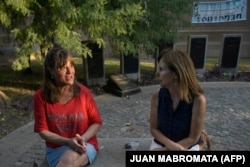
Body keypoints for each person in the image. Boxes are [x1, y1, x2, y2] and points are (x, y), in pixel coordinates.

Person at [33, 46, 102, 166]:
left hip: (85, 145)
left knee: (69, 158)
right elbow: (42, 131)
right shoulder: (40, 97)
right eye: (63, 68)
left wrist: (83, 139)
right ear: (51, 71)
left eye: (71, 66)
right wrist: (68, 142)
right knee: (67, 158)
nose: (70, 71)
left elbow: (96, 122)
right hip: (56, 149)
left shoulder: (83, 93)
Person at [149, 48, 206, 151]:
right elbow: (154, 129)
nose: (157, 74)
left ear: (175, 74)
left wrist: (166, 150)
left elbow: (193, 138)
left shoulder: (198, 100)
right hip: (161, 144)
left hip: (187, 146)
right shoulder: (157, 96)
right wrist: (170, 147)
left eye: (161, 69)